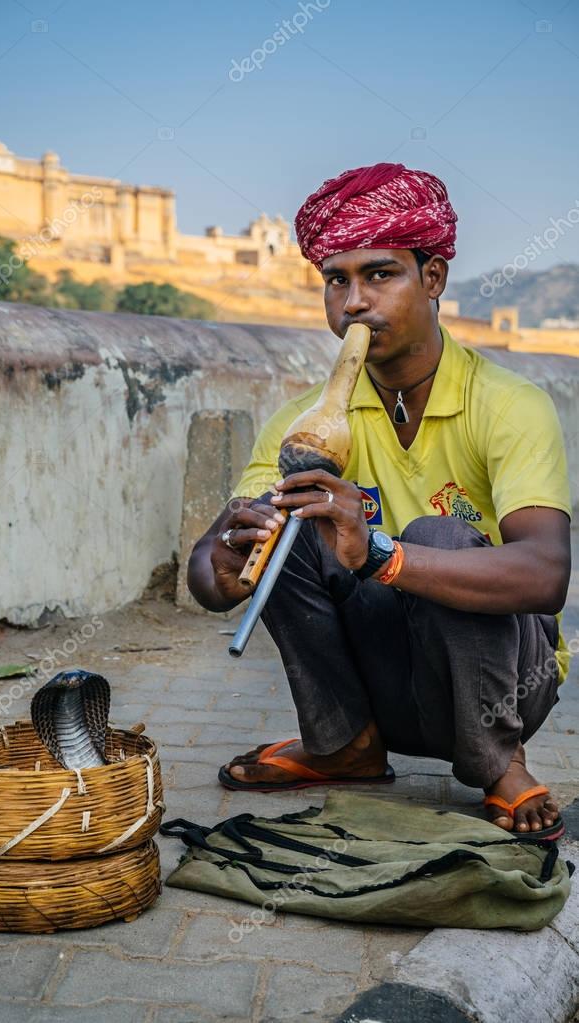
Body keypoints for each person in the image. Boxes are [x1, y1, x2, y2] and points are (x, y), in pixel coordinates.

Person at [187, 162, 572, 839]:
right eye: (337, 281)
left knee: (442, 536)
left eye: (380, 275)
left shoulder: (509, 404)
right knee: (292, 522)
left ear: (433, 280)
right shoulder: (305, 420)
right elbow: (213, 563)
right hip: (387, 684)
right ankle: (346, 745)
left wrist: (382, 552)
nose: (354, 302)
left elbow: (545, 575)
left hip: (502, 685)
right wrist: (219, 562)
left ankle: (499, 764)